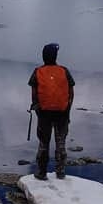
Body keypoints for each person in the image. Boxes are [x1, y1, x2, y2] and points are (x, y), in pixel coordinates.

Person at [28, 43, 75, 180]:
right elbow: (71, 93)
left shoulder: (37, 71)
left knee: (44, 143)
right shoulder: (64, 71)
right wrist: (67, 111)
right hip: (62, 113)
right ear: (55, 56)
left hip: (44, 114)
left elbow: (34, 94)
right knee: (61, 143)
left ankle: (42, 172)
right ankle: (60, 172)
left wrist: (38, 110)